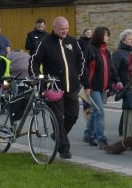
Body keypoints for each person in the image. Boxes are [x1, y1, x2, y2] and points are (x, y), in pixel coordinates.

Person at [29, 16, 89, 159]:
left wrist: (81, 77)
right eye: (62, 29)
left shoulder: (72, 42)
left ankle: (57, 134)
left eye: (67, 29)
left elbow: (81, 60)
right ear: (54, 28)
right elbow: (34, 60)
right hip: (53, 86)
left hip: (72, 86)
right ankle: (64, 148)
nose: (65, 31)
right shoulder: (45, 42)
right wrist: (36, 75)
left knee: (73, 115)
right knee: (58, 118)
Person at [83, 26, 115, 150]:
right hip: (92, 87)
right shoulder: (90, 50)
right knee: (100, 112)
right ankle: (101, 139)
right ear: (100, 35)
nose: (108, 37)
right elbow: (85, 69)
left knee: (96, 111)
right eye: (106, 35)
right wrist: (86, 85)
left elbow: (110, 70)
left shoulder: (106, 52)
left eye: (108, 35)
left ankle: (88, 135)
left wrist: (111, 86)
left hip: (103, 87)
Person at [111, 29, 132, 137]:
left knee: (130, 106)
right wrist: (118, 82)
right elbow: (113, 69)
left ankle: (123, 128)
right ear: (123, 40)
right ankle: (124, 129)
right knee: (128, 106)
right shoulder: (118, 53)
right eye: (130, 39)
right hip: (125, 84)